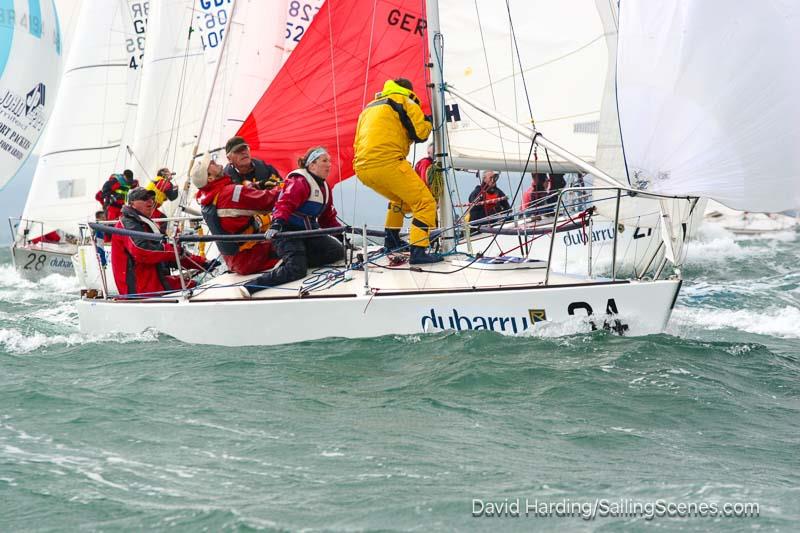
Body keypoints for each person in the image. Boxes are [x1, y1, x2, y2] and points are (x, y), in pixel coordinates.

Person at [353, 78, 440, 263]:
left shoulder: (370, 107)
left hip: (362, 168)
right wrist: (429, 122)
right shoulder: (405, 100)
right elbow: (421, 134)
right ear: (408, 89)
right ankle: (419, 252)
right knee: (426, 203)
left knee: (399, 200)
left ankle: (391, 241)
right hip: (388, 162)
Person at [244, 146, 344, 295]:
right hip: (287, 232)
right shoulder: (299, 181)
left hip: (308, 233)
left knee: (337, 251)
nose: (329, 164)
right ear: (312, 165)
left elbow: (327, 217)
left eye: (329, 161)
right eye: (324, 161)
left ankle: (297, 258)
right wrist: (277, 223)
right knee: (296, 270)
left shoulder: (325, 188)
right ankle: (250, 286)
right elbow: (284, 203)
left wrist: (340, 235)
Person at [192, 154, 281, 275]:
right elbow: (270, 201)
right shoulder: (230, 193)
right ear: (210, 178)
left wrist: (256, 186)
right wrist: (289, 187)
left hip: (236, 261)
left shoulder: (208, 199)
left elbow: (237, 198)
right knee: (297, 243)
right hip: (252, 256)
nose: (213, 161)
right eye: (210, 164)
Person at [110, 187, 207, 297]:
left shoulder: (145, 225)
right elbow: (142, 251)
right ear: (132, 204)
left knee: (198, 285)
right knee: (199, 288)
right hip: (141, 291)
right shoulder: (127, 224)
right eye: (144, 198)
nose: (150, 201)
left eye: (151, 198)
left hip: (156, 282)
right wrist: (175, 251)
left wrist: (203, 263)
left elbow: (170, 254)